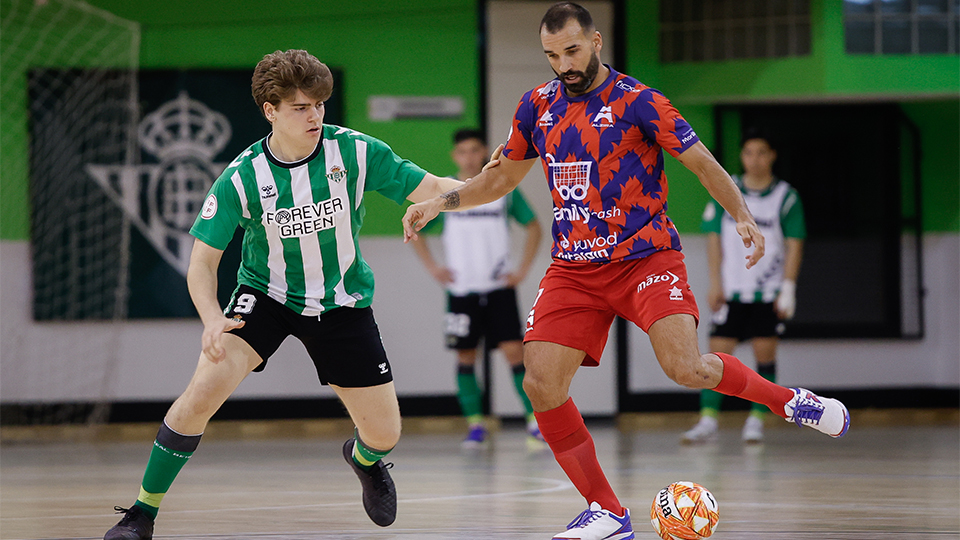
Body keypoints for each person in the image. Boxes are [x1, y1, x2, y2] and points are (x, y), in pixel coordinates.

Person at [401, 4, 849, 540]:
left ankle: (790, 402)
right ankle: (607, 512)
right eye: (551, 55)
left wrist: (743, 216)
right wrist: (439, 203)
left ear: (595, 42)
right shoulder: (536, 107)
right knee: (541, 383)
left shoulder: (639, 102)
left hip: (646, 259)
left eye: (571, 50)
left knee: (686, 368)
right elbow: (498, 182)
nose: (563, 64)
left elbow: (702, 161)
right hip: (574, 270)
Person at [104, 49, 470, 540]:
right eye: (300, 107)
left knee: (386, 434)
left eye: (319, 104)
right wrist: (213, 319)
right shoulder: (242, 176)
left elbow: (433, 186)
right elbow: (202, 264)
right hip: (266, 297)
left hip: (341, 304)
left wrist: (486, 185)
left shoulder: (357, 152)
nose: (315, 115)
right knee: (200, 394)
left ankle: (363, 460)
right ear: (270, 110)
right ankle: (140, 514)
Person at [410, 128, 543, 449]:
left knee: (515, 354)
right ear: (455, 156)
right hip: (461, 291)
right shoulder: (446, 192)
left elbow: (535, 226)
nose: (469, 157)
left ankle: (534, 423)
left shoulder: (502, 190)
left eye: (474, 150)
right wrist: (433, 267)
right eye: (462, 152)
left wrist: (522, 270)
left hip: (498, 288)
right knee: (465, 356)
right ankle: (475, 425)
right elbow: (416, 226)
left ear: (484, 151)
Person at [682, 130, 806, 444]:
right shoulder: (727, 190)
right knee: (715, 356)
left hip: (767, 291)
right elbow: (713, 238)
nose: (754, 160)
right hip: (732, 290)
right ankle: (708, 420)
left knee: (764, 355)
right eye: (748, 153)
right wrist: (714, 282)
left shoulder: (786, 197)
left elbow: (795, 243)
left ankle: (756, 420)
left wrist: (788, 287)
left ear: (772, 155)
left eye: (761, 152)